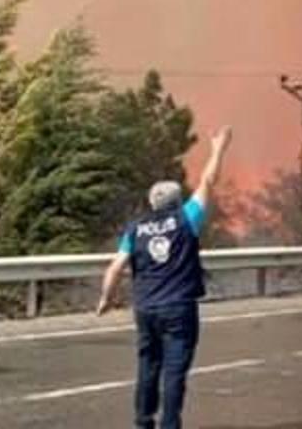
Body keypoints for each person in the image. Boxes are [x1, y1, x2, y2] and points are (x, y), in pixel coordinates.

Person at [96, 126, 233, 429]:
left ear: (152, 202)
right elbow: (208, 182)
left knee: (147, 366)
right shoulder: (187, 218)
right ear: (176, 200)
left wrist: (106, 298)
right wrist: (218, 149)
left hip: (145, 309)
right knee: (174, 371)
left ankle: (143, 422)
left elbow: (115, 266)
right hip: (178, 308)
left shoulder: (136, 228)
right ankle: (169, 425)